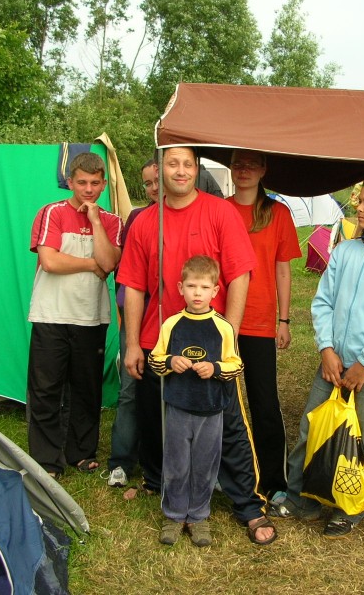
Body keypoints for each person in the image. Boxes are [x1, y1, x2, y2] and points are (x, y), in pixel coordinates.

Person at [116, 146, 278, 546]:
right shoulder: (145, 221)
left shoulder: (219, 212)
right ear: (160, 169)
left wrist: (229, 336)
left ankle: (248, 504)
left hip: (210, 343)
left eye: (188, 164)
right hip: (159, 341)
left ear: (197, 169)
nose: (181, 171)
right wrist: (133, 343)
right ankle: (161, 486)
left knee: (229, 426)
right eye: (173, 163)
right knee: (159, 421)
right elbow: (133, 285)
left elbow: (240, 275)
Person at [270, 173, 364, 538]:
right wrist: (326, 349)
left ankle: (349, 508)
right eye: (359, 201)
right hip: (332, 364)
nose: (358, 207)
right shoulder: (344, 251)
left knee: (363, 438)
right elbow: (323, 301)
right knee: (312, 427)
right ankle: (299, 497)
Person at [26, 152, 122, 478]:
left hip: (92, 317)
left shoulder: (112, 221)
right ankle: (47, 460)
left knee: (86, 390)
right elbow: (50, 261)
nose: (88, 189)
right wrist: (90, 264)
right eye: (82, 182)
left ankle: (80, 453)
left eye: (95, 183)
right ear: (70, 182)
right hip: (50, 314)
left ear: (104, 184)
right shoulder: (51, 212)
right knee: (45, 390)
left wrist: (95, 221)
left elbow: (109, 263)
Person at [149, 255, 244, 547]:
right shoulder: (172, 324)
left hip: (211, 409)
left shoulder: (223, 327)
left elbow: (236, 365)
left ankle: (199, 516)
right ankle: (175, 514)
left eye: (204, 287)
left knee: (204, 465)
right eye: (191, 286)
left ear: (215, 290)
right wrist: (170, 361)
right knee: (176, 463)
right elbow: (155, 360)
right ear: (181, 288)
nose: (197, 293)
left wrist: (215, 368)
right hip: (178, 406)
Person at [227, 149, 302, 498]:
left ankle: (273, 479)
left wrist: (283, 320)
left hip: (259, 319)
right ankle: (227, 470)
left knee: (264, 401)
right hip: (222, 318)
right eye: (238, 164)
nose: (243, 170)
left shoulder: (277, 213)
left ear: (263, 170)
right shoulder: (220, 209)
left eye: (251, 165)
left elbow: (283, 269)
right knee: (223, 399)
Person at [106, 159, 159, 495]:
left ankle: (163, 462)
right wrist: (126, 317)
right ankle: (121, 462)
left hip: (172, 319)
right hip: (138, 316)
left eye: (157, 181)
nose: (153, 188)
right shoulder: (138, 218)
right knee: (130, 388)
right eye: (148, 183)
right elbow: (126, 275)